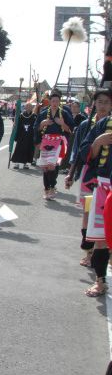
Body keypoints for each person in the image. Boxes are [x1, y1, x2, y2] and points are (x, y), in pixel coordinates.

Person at [66, 89, 112, 268]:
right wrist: (71, 174)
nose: (102, 105)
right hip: (89, 176)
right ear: (94, 104)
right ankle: (88, 252)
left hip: (107, 177)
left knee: (105, 216)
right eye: (99, 102)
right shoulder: (85, 125)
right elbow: (78, 151)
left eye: (106, 102)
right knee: (88, 215)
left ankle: (104, 252)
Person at [79, 97, 112, 297]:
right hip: (104, 185)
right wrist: (98, 142)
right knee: (101, 239)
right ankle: (100, 282)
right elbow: (85, 152)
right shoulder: (102, 125)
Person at [33, 90, 74, 200]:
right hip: (46, 141)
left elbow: (71, 129)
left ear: (59, 102)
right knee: (46, 167)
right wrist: (43, 124)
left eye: (57, 101)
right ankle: (47, 188)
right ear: (50, 101)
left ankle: (52, 187)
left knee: (52, 166)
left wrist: (62, 123)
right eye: (53, 101)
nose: (55, 103)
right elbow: (36, 128)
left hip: (58, 142)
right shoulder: (43, 113)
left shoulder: (64, 113)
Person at [10, 102, 37, 169]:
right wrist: (15, 126)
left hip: (30, 136)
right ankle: (17, 163)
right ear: (25, 107)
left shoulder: (34, 116)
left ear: (32, 108)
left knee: (29, 149)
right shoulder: (21, 116)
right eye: (27, 106)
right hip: (22, 136)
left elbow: (36, 126)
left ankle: (26, 164)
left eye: (30, 106)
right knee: (19, 149)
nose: (28, 108)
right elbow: (17, 126)